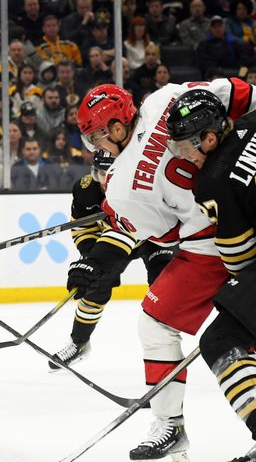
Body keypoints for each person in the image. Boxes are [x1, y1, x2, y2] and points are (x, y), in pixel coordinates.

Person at [75, 79, 256, 462]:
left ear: (117, 129)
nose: (95, 148)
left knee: (157, 324)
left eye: (95, 139)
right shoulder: (164, 98)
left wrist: (97, 259)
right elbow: (238, 93)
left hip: (212, 244)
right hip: (241, 212)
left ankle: (171, 429)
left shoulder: (121, 186)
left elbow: (160, 234)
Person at [163, 89, 256, 462]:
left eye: (186, 146)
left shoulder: (213, 179)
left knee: (222, 337)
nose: (181, 155)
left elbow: (239, 259)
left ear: (211, 138)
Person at [53, 150, 174, 370]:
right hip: (112, 241)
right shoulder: (85, 190)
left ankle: (166, 350)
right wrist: (91, 255)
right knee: (95, 283)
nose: (106, 179)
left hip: (152, 238)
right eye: (101, 173)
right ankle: (79, 343)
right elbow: (82, 227)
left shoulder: (139, 185)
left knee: (164, 284)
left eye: (111, 173)